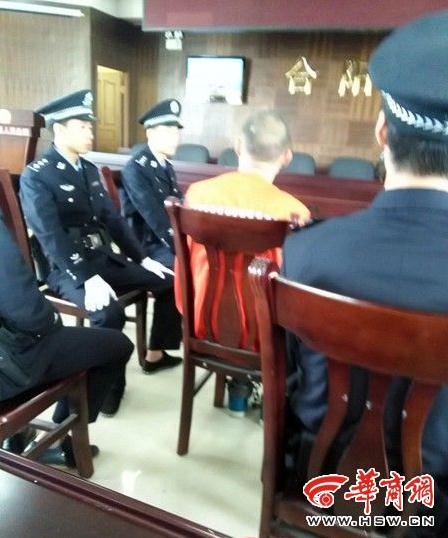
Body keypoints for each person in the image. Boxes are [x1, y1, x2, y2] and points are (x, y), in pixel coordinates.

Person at [282, 11, 448, 536]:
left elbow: (292, 381)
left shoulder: (304, 252)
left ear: (382, 132)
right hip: (434, 503)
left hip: (321, 476)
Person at [19, 90, 182, 417]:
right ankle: (106, 392)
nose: (90, 133)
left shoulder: (89, 170)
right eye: (82, 127)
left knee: (168, 280)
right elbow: (51, 236)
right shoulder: (37, 175)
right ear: (60, 129)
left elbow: (114, 221)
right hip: (65, 268)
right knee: (109, 315)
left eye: (90, 126)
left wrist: (143, 257)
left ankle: (156, 354)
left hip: (103, 258)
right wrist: (85, 277)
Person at [177, 110, 311, 414]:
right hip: (262, 335)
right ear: (287, 156)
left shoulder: (198, 195)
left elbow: (183, 271)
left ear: (238, 146)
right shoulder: (294, 212)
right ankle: (266, 402)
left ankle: (238, 387)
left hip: (202, 323)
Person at [0, 211, 133, 466]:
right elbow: (24, 309)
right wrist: (51, 320)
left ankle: (17, 436)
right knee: (118, 346)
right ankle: (61, 440)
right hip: (10, 365)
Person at [121, 99, 184, 270]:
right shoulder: (135, 168)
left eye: (177, 132)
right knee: (191, 265)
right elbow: (155, 217)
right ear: (150, 133)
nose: (175, 138)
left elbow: (179, 203)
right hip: (147, 245)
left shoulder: (167, 166)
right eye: (168, 132)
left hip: (165, 241)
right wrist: (181, 247)